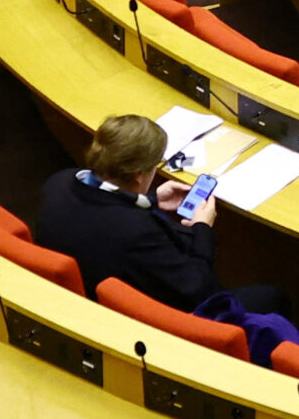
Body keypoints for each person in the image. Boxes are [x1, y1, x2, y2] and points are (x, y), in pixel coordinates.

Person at [33, 113, 223, 311]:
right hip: (126, 311)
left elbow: (105, 202)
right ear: (139, 175)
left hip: (72, 289)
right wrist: (203, 228)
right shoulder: (136, 230)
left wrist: (152, 198)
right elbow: (196, 290)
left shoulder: (59, 182)